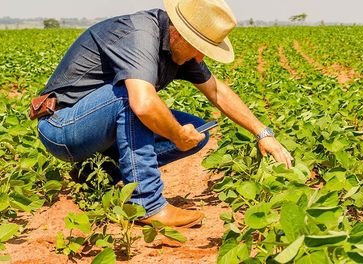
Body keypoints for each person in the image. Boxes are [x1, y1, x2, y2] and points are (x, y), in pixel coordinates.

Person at [36, 0, 293, 228]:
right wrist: (177, 135)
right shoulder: (140, 34)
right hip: (62, 127)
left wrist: (263, 133)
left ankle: (100, 173)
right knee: (134, 97)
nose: (201, 56)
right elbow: (144, 104)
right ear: (180, 33)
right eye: (200, 46)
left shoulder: (178, 49)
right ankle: (147, 204)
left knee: (198, 132)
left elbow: (217, 92)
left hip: (95, 129)